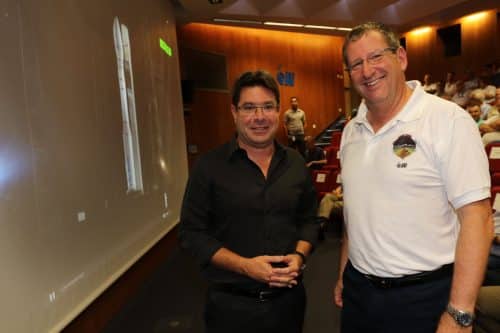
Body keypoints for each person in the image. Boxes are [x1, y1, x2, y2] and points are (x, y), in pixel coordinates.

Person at [336, 21, 493, 333]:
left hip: (424, 297)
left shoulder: (448, 121)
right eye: (356, 64)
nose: (367, 71)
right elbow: (355, 212)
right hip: (359, 292)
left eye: (376, 56)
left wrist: (460, 313)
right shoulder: (351, 131)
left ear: (402, 58)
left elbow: (478, 219)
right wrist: (344, 272)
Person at [178, 70, 319, 333]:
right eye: (249, 108)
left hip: (289, 304)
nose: (259, 117)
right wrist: (245, 266)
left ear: (278, 111)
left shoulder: (297, 164)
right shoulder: (209, 167)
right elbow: (191, 233)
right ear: (234, 112)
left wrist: (300, 256)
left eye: (267, 107)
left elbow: (309, 220)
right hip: (231, 309)